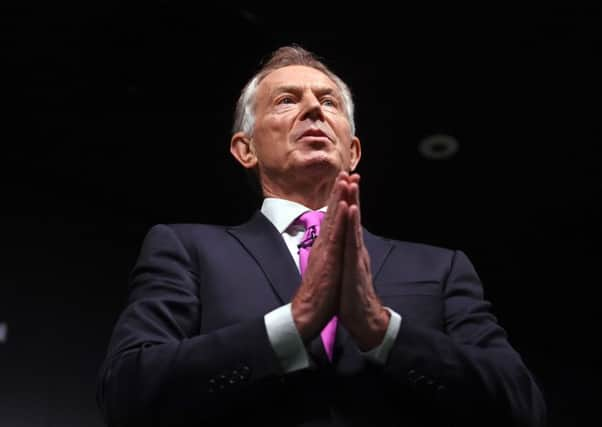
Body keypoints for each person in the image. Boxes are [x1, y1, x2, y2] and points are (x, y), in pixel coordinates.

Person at [97, 45, 546, 427]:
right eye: (287, 101)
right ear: (245, 149)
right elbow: (126, 391)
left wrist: (381, 330)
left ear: (352, 152)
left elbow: (523, 405)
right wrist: (292, 322)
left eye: (329, 102)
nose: (314, 109)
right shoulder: (187, 249)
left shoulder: (441, 267)